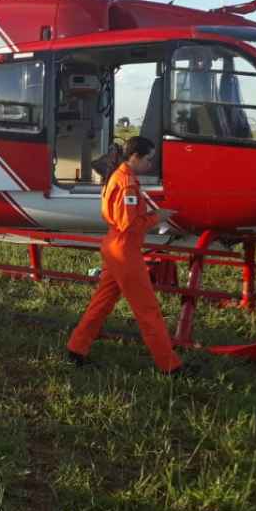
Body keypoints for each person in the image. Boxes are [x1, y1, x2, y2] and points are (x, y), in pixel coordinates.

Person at [66, 136, 189, 375]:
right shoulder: (126, 183)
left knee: (101, 304)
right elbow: (128, 224)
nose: (151, 165)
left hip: (116, 248)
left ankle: (76, 349)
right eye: (148, 160)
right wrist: (158, 217)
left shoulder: (122, 177)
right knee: (148, 310)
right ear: (135, 157)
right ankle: (170, 366)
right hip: (125, 251)